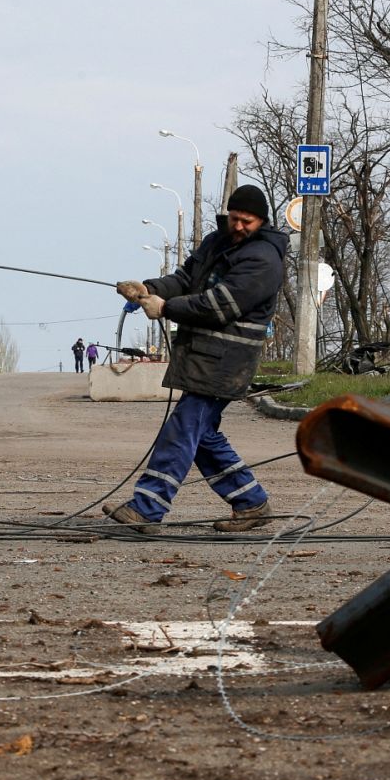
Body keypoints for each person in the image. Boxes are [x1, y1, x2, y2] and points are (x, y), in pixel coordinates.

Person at [103, 184, 286, 533]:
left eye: (247, 221)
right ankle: (250, 502)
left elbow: (220, 305)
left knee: (183, 430)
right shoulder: (216, 242)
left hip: (227, 361)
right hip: (204, 357)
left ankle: (147, 507)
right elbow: (186, 279)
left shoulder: (263, 259)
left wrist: (167, 308)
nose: (239, 226)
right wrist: (148, 289)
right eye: (235, 218)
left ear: (261, 221)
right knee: (201, 436)